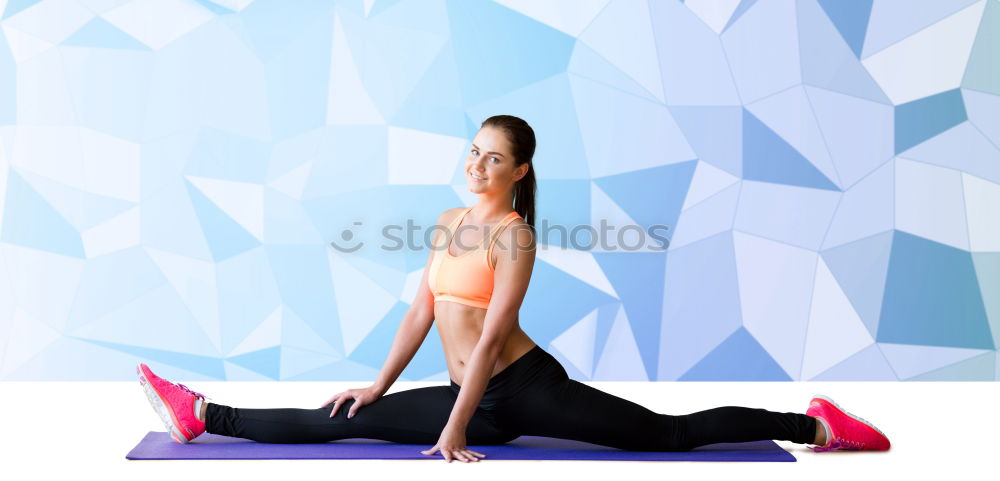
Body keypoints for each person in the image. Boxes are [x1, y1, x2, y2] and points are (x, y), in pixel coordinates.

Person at [137, 115, 891, 462]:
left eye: (493, 159)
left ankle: (815, 423)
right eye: (473, 151)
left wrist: (457, 427)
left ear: (518, 171)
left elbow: (493, 336)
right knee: (340, 417)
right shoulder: (445, 221)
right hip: (468, 396)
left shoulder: (514, 235)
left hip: (522, 389)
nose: (476, 165)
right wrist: (376, 384)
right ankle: (201, 412)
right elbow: (420, 311)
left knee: (666, 435)